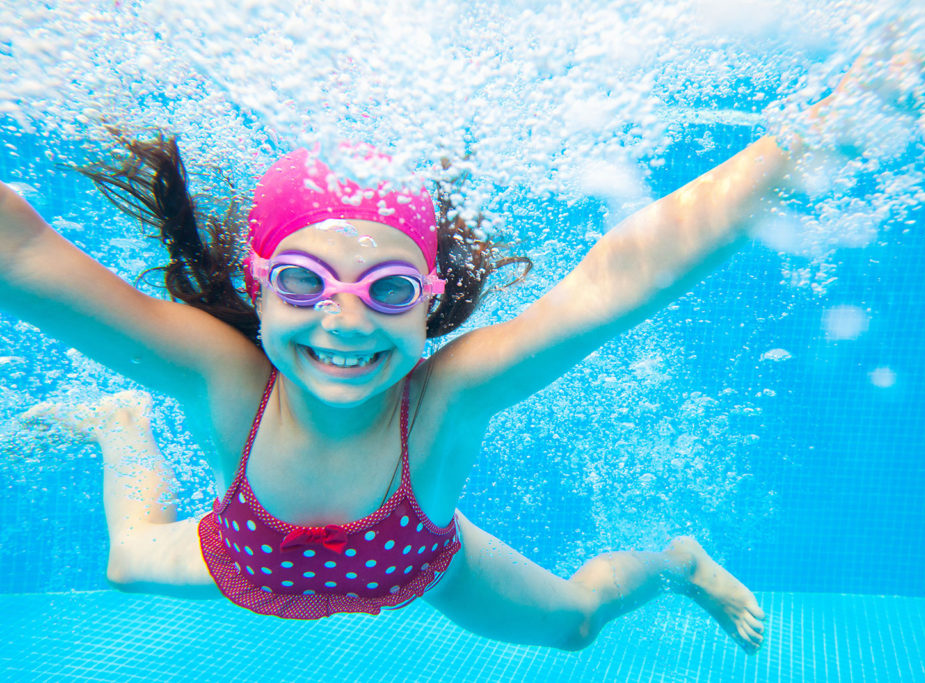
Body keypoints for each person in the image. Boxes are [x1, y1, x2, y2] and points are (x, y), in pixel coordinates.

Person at [2, 124, 804, 652]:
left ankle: (677, 564)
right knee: (119, 558)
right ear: (258, 287)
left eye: (386, 289)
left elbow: (618, 281)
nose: (344, 321)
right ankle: (118, 422)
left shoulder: (446, 399)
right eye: (303, 281)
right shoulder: (223, 375)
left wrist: (814, 138)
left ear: (428, 299)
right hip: (241, 558)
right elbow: (27, 258)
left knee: (577, 625)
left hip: (424, 562)